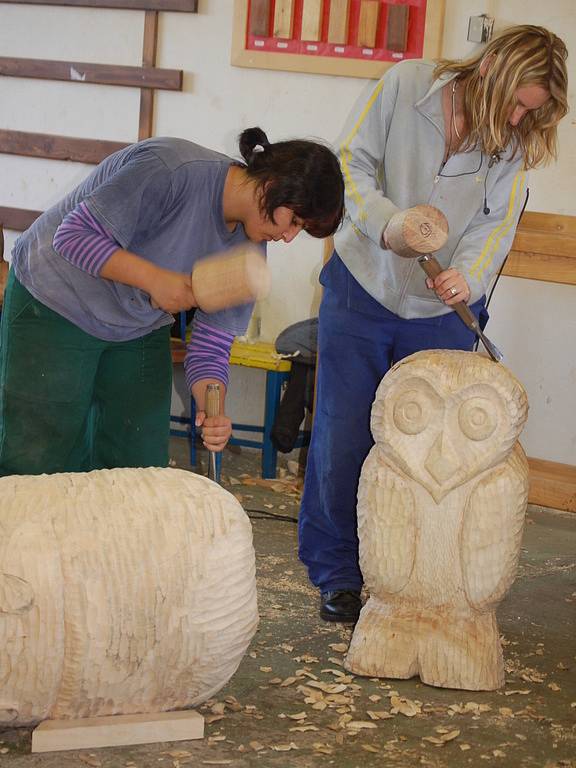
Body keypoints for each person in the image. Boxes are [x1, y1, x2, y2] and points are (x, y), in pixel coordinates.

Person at [299, 25, 569, 623]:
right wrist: (390, 224)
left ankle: (415, 575)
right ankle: (337, 573)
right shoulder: (406, 84)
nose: (521, 118)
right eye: (519, 101)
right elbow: (352, 163)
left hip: (438, 311)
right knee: (343, 435)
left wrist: (466, 279)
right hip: (363, 284)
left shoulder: (512, 142)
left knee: (432, 452)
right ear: (493, 66)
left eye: (534, 110)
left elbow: (494, 226)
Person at [0, 128, 344, 476]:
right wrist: (155, 280)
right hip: (56, 298)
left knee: (139, 463)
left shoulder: (249, 251)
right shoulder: (171, 169)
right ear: (273, 185)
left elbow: (210, 347)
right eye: (295, 221)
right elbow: (73, 236)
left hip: (137, 324)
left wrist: (214, 408)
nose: (288, 237)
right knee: (38, 460)